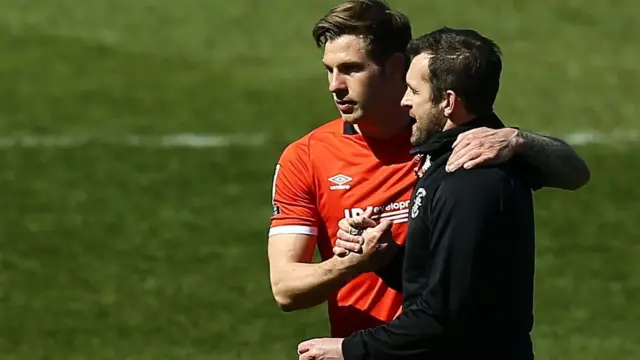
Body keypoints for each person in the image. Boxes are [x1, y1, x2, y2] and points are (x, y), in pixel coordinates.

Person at [268, 0, 590, 339]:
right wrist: (353, 262)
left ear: (395, 67)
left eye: (351, 69)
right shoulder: (305, 157)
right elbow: (286, 289)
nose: (335, 85)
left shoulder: (454, 136)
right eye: (329, 70)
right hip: (368, 349)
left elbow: (575, 173)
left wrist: (519, 139)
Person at [298, 26, 543, 360]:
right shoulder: (444, 161)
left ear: (448, 102)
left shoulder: (470, 181)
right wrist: (385, 257)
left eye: (414, 90)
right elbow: (446, 281)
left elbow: (443, 317)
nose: (404, 100)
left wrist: (348, 348)